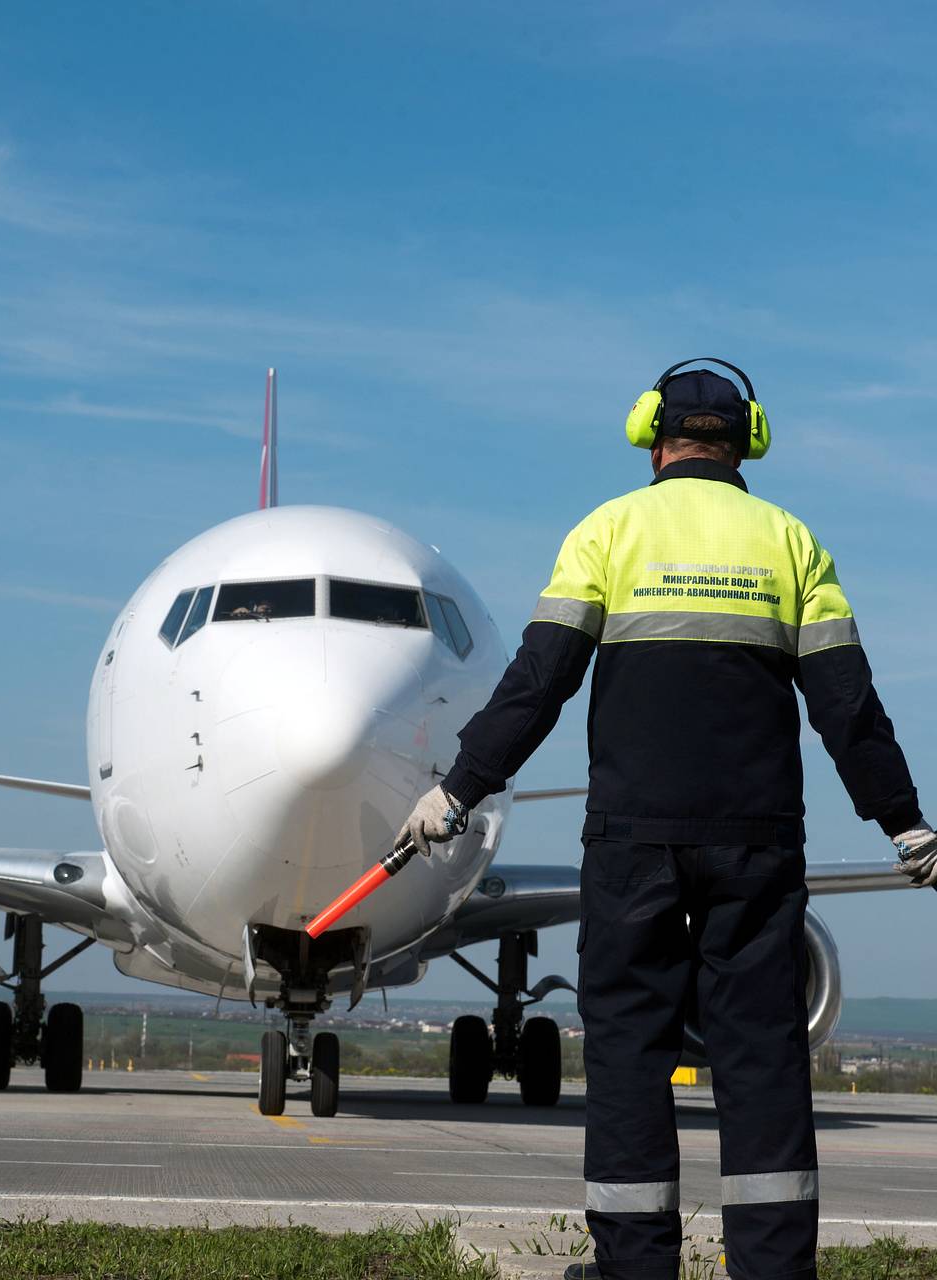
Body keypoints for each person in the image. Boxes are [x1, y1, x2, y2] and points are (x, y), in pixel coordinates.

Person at [398, 359, 932, 1280]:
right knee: (762, 1059)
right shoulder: (791, 543)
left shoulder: (608, 532)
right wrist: (904, 821)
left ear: (652, 433)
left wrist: (458, 790)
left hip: (633, 843)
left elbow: (538, 687)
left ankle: (634, 1268)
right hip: (758, 841)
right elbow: (847, 705)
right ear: (748, 440)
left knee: (630, 1055)